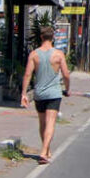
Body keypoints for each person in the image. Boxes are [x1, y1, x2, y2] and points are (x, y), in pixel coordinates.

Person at [21, 25, 71, 165]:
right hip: (54, 93)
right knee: (50, 123)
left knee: (42, 123)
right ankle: (44, 151)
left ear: (41, 37)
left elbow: (27, 74)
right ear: (52, 37)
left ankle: (46, 150)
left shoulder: (34, 54)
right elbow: (66, 74)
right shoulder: (58, 54)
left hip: (39, 93)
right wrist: (67, 89)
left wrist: (24, 93)